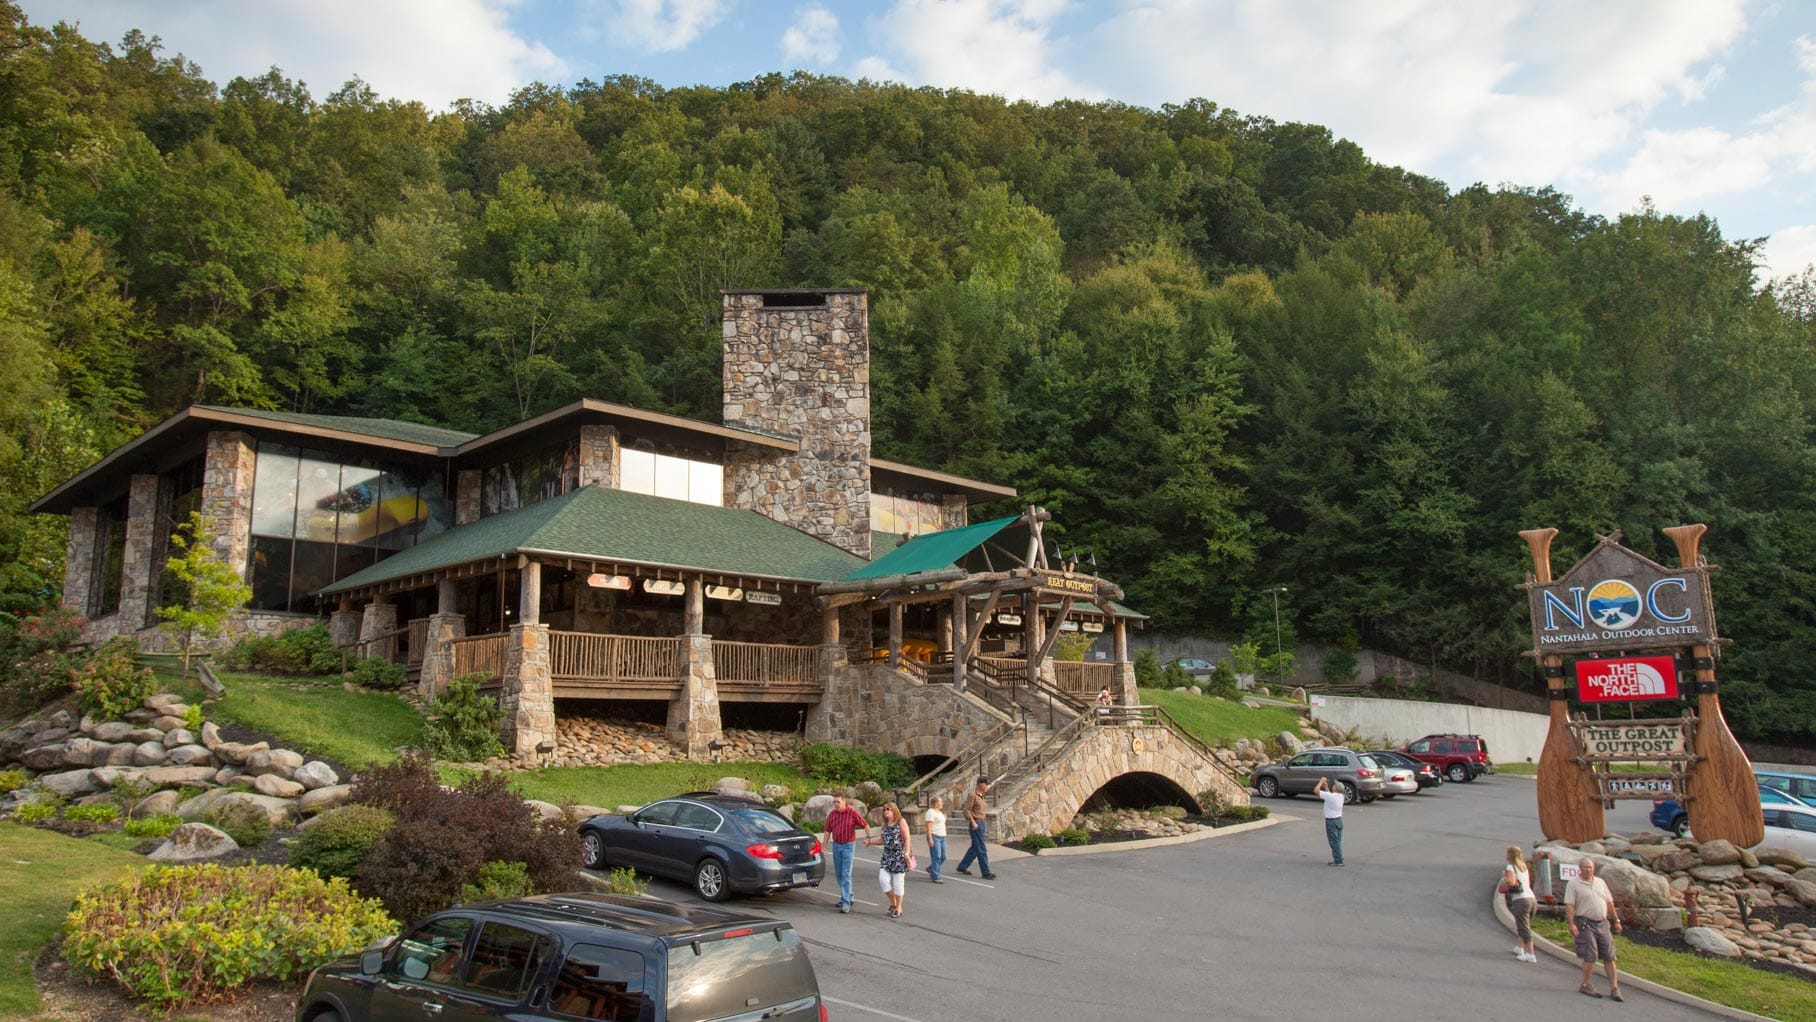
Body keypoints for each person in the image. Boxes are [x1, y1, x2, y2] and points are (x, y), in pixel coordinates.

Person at [1565, 858, 1624, 1000]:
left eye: (1590, 867)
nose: (1588, 870)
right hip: (1585, 923)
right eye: (1585, 867)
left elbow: (1609, 902)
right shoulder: (1573, 884)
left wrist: (1616, 920)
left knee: (1609, 956)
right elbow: (1570, 906)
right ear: (1580, 868)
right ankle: (1586, 984)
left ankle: (1614, 988)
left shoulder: (1600, 882)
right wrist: (1571, 924)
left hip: (1602, 923)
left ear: (1594, 868)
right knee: (1590, 955)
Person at [822, 794, 870, 914]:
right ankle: (849, 896)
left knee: (846, 874)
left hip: (848, 845)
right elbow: (828, 830)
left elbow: (865, 824)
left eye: (838, 802)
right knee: (839, 874)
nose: (836, 804)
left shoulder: (852, 813)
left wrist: (868, 837)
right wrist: (824, 846)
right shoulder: (833, 814)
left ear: (844, 801)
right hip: (836, 845)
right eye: (835, 802)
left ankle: (845, 902)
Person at [867, 802, 913, 918]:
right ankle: (893, 903)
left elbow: (907, 838)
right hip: (887, 856)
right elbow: (882, 840)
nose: (886, 811)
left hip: (899, 857)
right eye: (884, 810)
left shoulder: (901, 821)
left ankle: (898, 907)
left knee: (898, 884)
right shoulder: (885, 825)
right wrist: (870, 841)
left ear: (894, 810)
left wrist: (906, 853)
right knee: (883, 880)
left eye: (888, 809)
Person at [954, 777, 998, 880]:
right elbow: (966, 810)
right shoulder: (972, 795)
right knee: (981, 848)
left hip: (981, 823)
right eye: (986, 784)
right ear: (980, 785)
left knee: (975, 848)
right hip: (976, 823)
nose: (987, 786)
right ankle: (986, 872)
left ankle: (962, 866)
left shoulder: (982, 796)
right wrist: (973, 822)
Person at [1503, 845, 1538, 963]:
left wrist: (1505, 877)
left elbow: (1512, 882)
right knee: (1524, 925)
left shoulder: (1510, 867)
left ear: (1510, 855)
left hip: (1520, 899)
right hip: (1532, 898)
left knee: (1524, 927)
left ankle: (1531, 954)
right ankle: (1520, 948)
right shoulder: (1523, 867)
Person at [1312, 776, 1345, 866]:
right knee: (1337, 840)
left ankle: (1339, 860)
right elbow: (1329, 796)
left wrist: (1320, 782)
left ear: (1336, 788)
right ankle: (1338, 858)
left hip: (1331, 821)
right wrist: (1326, 787)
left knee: (1334, 841)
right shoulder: (1340, 796)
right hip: (1338, 820)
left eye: (1335, 785)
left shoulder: (1332, 797)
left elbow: (1316, 791)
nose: (1333, 785)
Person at [924, 795, 948, 883]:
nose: (942, 803)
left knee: (943, 856)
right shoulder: (930, 812)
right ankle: (936, 876)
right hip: (934, 835)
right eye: (940, 802)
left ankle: (931, 868)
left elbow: (940, 822)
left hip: (942, 836)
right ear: (936, 803)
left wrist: (944, 818)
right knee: (936, 856)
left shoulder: (940, 813)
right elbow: (928, 826)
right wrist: (930, 839)